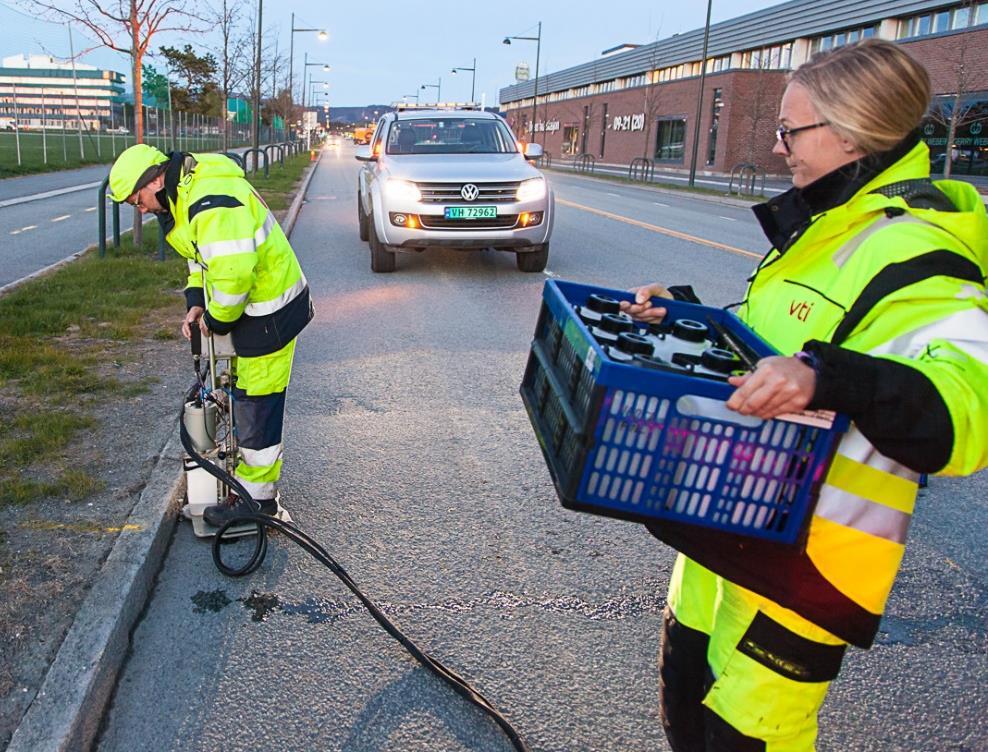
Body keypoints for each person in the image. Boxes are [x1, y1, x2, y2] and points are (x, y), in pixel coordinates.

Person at [621, 39, 988, 751]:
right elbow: (776, 338)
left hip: (806, 561)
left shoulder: (921, 248)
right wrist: (688, 313)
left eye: (791, 131)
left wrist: (828, 376)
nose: (778, 145)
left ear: (850, 133)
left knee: (748, 736)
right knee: (686, 710)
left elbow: (968, 405)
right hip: (727, 523)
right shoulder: (828, 221)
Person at [108, 144, 314, 527]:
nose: (141, 209)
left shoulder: (209, 199)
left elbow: (234, 275)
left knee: (256, 405)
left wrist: (217, 321)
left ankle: (257, 503)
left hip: (270, 310)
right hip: (254, 307)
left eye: (138, 200)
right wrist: (197, 302)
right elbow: (203, 259)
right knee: (244, 397)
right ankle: (246, 487)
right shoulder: (183, 196)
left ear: (155, 179)